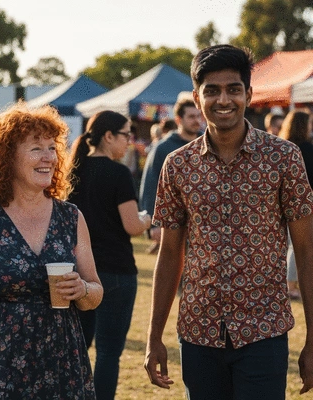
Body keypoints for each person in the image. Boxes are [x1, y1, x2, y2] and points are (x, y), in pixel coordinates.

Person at [144, 44, 313, 399]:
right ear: (197, 96)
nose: (224, 100)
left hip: (264, 329)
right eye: (212, 90)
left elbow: (306, 250)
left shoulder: (284, 158)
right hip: (198, 331)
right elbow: (170, 253)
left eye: (234, 89)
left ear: (248, 94)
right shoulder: (178, 165)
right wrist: (153, 336)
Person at [0, 103, 103, 399]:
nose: (48, 158)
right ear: (6, 157)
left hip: (61, 361)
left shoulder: (71, 217)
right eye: (36, 148)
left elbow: (95, 293)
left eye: (52, 148)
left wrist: (82, 290)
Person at [68, 110, 151, 400]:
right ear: (108, 136)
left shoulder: (71, 171)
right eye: (126, 134)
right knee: (108, 353)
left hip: (77, 272)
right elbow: (132, 226)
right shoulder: (118, 173)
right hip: (115, 272)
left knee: (78, 350)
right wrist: (148, 218)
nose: (130, 141)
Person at [139, 98, 202, 254]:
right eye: (191, 117)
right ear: (179, 119)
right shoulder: (163, 148)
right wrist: (154, 225)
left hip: (203, 223)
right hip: (174, 222)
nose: (196, 121)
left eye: (198, 116)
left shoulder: (207, 143)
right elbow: (150, 185)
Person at [278, 109, 313, 300]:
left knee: (291, 244)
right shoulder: (306, 148)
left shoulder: (283, 147)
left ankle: (290, 283)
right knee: (300, 245)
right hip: (304, 203)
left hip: (282, 201)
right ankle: (290, 284)